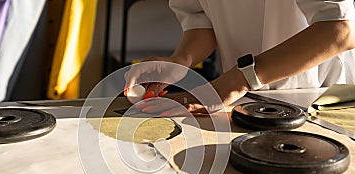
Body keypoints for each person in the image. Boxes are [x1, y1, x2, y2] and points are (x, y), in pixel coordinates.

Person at [124, 0, 355, 116]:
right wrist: (180, 60)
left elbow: (340, 29)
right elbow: (201, 20)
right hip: (246, 99)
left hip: (322, 98)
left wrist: (236, 81)